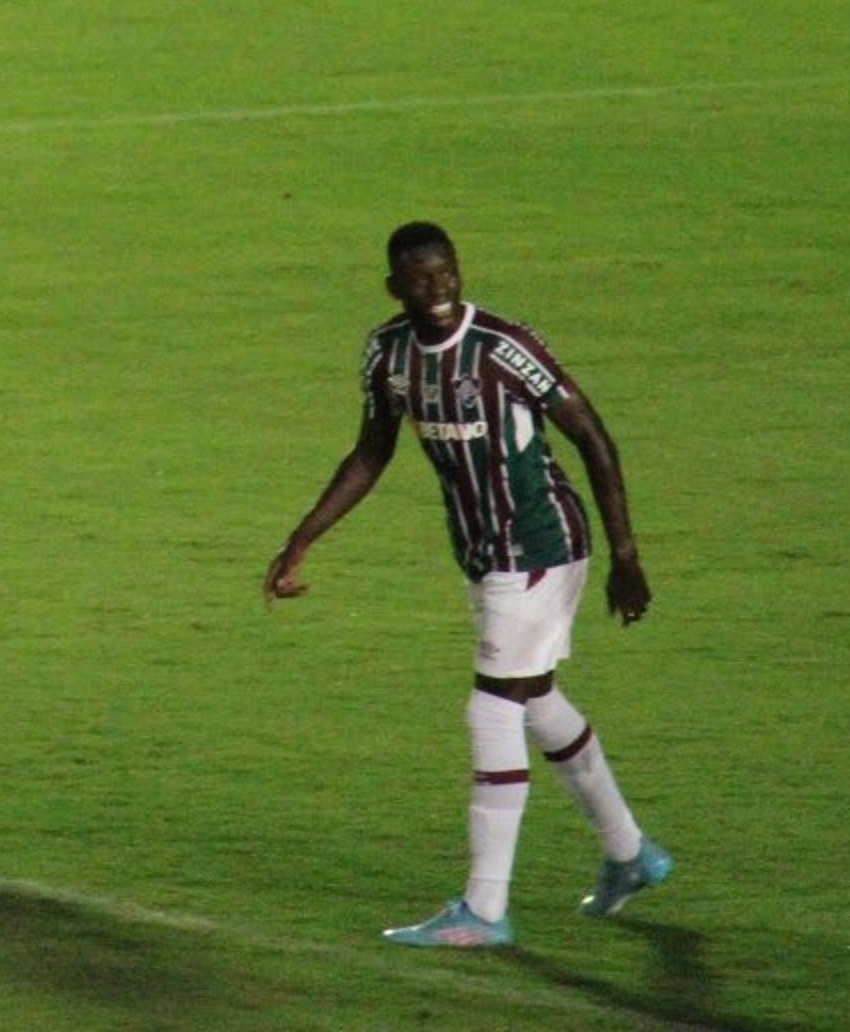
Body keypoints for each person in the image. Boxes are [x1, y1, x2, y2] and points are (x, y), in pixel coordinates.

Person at [265, 222, 668, 947]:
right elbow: (372, 451)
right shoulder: (389, 355)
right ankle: (630, 853)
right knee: (535, 699)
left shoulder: (503, 349)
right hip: (485, 553)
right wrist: (302, 537)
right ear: (397, 287)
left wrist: (627, 554)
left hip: (541, 545)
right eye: (422, 280)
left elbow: (592, 435)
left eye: (448, 274)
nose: (440, 289)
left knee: (491, 709)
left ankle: (485, 909)